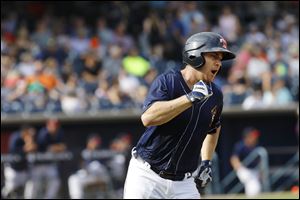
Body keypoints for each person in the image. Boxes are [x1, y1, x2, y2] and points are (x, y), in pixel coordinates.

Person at [123, 32, 236, 199]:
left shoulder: (216, 95)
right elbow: (148, 118)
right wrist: (188, 99)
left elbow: (213, 128)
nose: (219, 63)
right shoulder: (168, 81)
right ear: (195, 54)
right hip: (147, 176)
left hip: (184, 183)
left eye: (220, 58)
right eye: (214, 56)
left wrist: (206, 161)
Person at [25, 118, 67, 199]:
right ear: (48, 125)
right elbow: (47, 148)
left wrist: (56, 148)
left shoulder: (59, 133)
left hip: (49, 164)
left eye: (56, 126)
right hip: (37, 164)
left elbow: (63, 147)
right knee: (33, 184)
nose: (55, 127)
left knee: (55, 182)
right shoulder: (43, 133)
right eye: (53, 125)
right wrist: (56, 148)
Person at [68, 134, 113, 199]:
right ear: (89, 142)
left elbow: (106, 166)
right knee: (73, 179)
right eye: (93, 141)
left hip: (101, 176)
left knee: (95, 165)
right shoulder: (83, 152)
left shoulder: (102, 152)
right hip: (88, 176)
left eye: (96, 142)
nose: (95, 144)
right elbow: (80, 166)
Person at [1, 124, 37, 198]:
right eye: (29, 133)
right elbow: (16, 152)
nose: (31, 135)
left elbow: (34, 149)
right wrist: (27, 146)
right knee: (9, 189)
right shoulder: (16, 137)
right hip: (13, 169)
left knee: (30, 185)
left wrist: (29, 143)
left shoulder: (29, 139)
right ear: (25, 132)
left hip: (23, 170)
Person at [230, 127, 262, 197]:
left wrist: (260, 171)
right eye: (253, 136)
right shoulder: (240, 145)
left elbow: (259, 160)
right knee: (252, 184)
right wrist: (239, 168)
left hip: (254, 170)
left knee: (256, 188)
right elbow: (234, 158)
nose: (255, 138)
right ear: (248, 136)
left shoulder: (256, 146)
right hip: (244, 169)